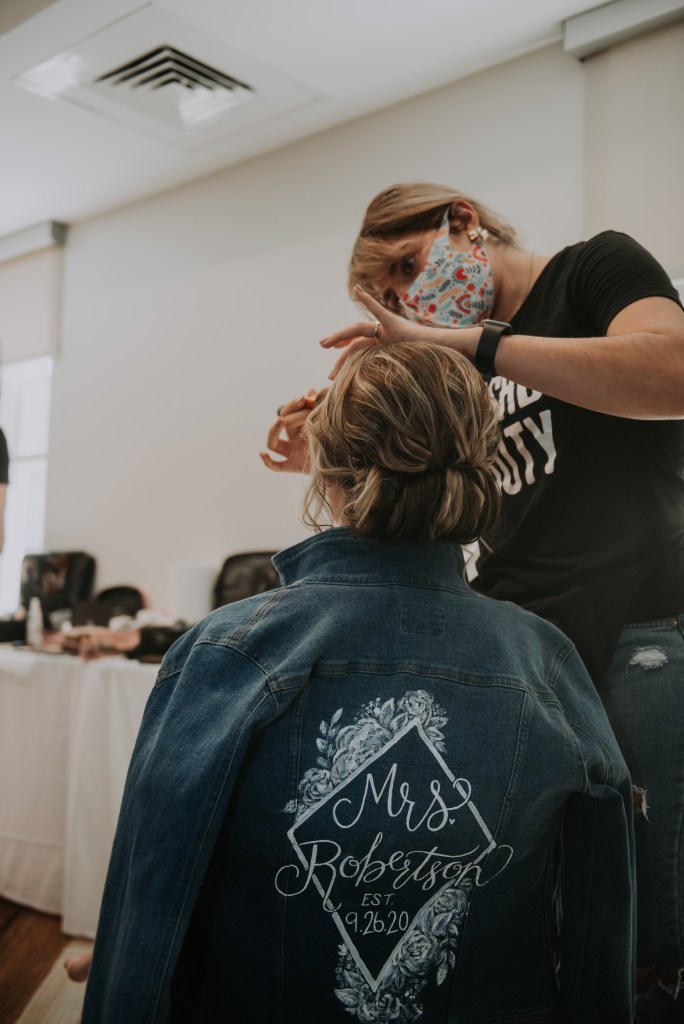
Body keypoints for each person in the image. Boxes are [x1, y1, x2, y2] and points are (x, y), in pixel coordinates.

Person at [83, 341, 634, 1022]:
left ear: (327, 472)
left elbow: (147, 908)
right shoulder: (546, 662)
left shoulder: (225, 651)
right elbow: (599, 920)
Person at [264, 182, 684, 1022]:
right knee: (539, 910)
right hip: (519, 655)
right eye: (392, 298)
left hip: (639, 638)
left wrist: (473, 345)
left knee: (654, 935)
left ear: (463, 221)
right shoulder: (461, 365)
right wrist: (334, 454)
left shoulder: (593, 270)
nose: (410, 298)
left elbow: (673, 372)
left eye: (408, 267)